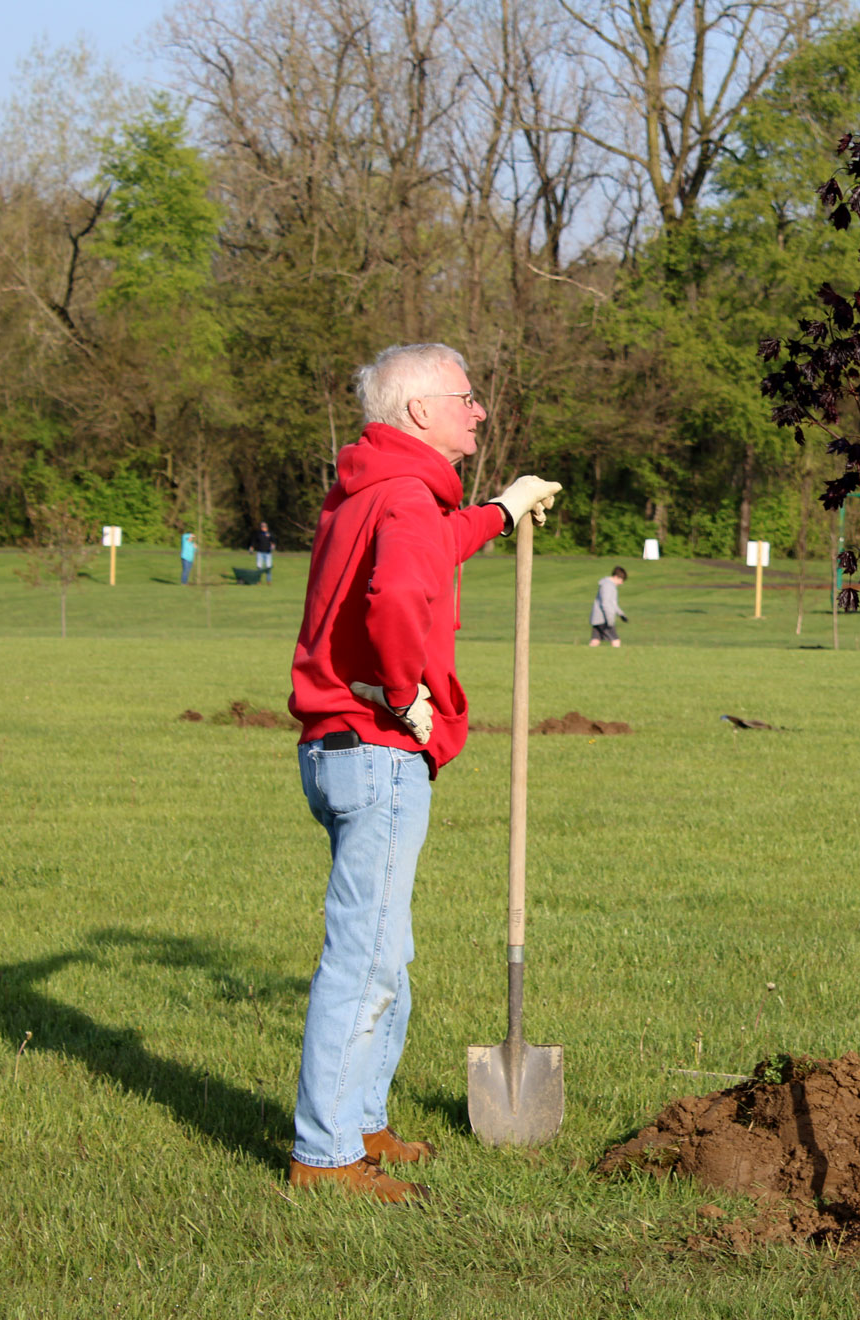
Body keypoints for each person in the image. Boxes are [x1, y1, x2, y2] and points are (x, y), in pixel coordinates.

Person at [285, 343, 560, 1203]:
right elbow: (401, 598)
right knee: (364, 959)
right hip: (376, 749)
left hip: (339, 749)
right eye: (466, 398)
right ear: (416, 413)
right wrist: (408, 694)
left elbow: (432, 546)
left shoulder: (374, 490)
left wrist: (503, 512)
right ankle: (325, 1158)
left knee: (385, 950)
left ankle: (363, 1119)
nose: (478, 411)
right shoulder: (405, 494)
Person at [589, 566, 628, 647]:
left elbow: (613, 603)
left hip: (598, 618)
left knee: (595, 641)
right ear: (616, 577)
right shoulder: (607, 585)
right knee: (616, 641)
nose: (621, 583)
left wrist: (621, 614)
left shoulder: (609, 585)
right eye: (621, 580)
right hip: (603, 619)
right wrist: (610, 620)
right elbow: (606, 603)